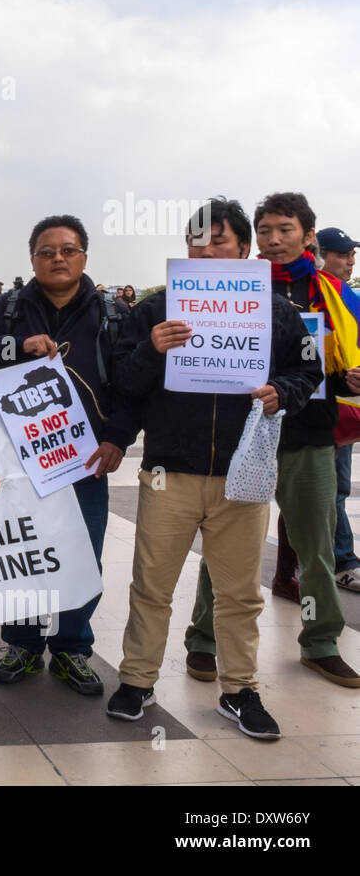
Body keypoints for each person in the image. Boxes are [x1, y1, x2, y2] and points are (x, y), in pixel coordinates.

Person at [109, 198, 320, 739]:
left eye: (218, 241)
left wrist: (283, 392)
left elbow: (306, 370)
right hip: (168, 471)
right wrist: (152, 352)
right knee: (151, 586)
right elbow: (124, 385)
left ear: (243, 249)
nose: (204, 250)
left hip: (242, 471)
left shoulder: (275, 310)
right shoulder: (156, 312)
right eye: (194, 241)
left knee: (240, 594)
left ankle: (239, 690)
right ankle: (136, 680)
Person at [183, 193, 360, 689]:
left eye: (285, 229)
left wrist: (350, 378)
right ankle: (204, 640)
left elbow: (345, 360)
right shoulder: (233, 285)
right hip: (244, 433)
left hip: (310, 434)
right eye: (265, 231)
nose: (273, 239)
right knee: (226, 544)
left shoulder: (337, 295)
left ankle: (321, 642)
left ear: (309, 236)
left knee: (316, 547)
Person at [0, 214, 138, 695]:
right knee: (20, 552)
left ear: (84, 256)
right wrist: (17, 345)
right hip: (20, 457)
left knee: (82, 554)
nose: (57, 258)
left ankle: (72, 650)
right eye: (46, 251)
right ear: (32, 259)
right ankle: (20, 643)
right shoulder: (12, 306)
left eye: (67, 250)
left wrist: (117, 439)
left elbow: (130, 384)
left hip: (85, 460)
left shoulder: (112, 313)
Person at [311, 227, 360, 593]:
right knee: (321, 491)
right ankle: (338, 562)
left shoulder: (349, 297)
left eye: (352, 254)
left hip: (345, 407)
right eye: (343, 254)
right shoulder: (311, 293)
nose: (350, 261)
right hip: (314, 407)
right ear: (320, 254)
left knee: (337, 488)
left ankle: (337, 560)